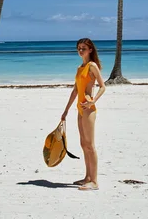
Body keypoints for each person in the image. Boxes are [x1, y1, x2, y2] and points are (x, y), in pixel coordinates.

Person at [61, 38, 106, 190]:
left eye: (84, 48)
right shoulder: (80, 67)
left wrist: (92, 102)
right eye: (79, 48)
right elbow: (75, 91)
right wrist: (66, 110)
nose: (80, 51)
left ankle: (94, 181)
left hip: (88, 109)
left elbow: (102, 87)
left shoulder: (92, 66)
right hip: (79, 108)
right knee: (83, 144)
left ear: (90, 50)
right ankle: (87, 177)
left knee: (90, 145)